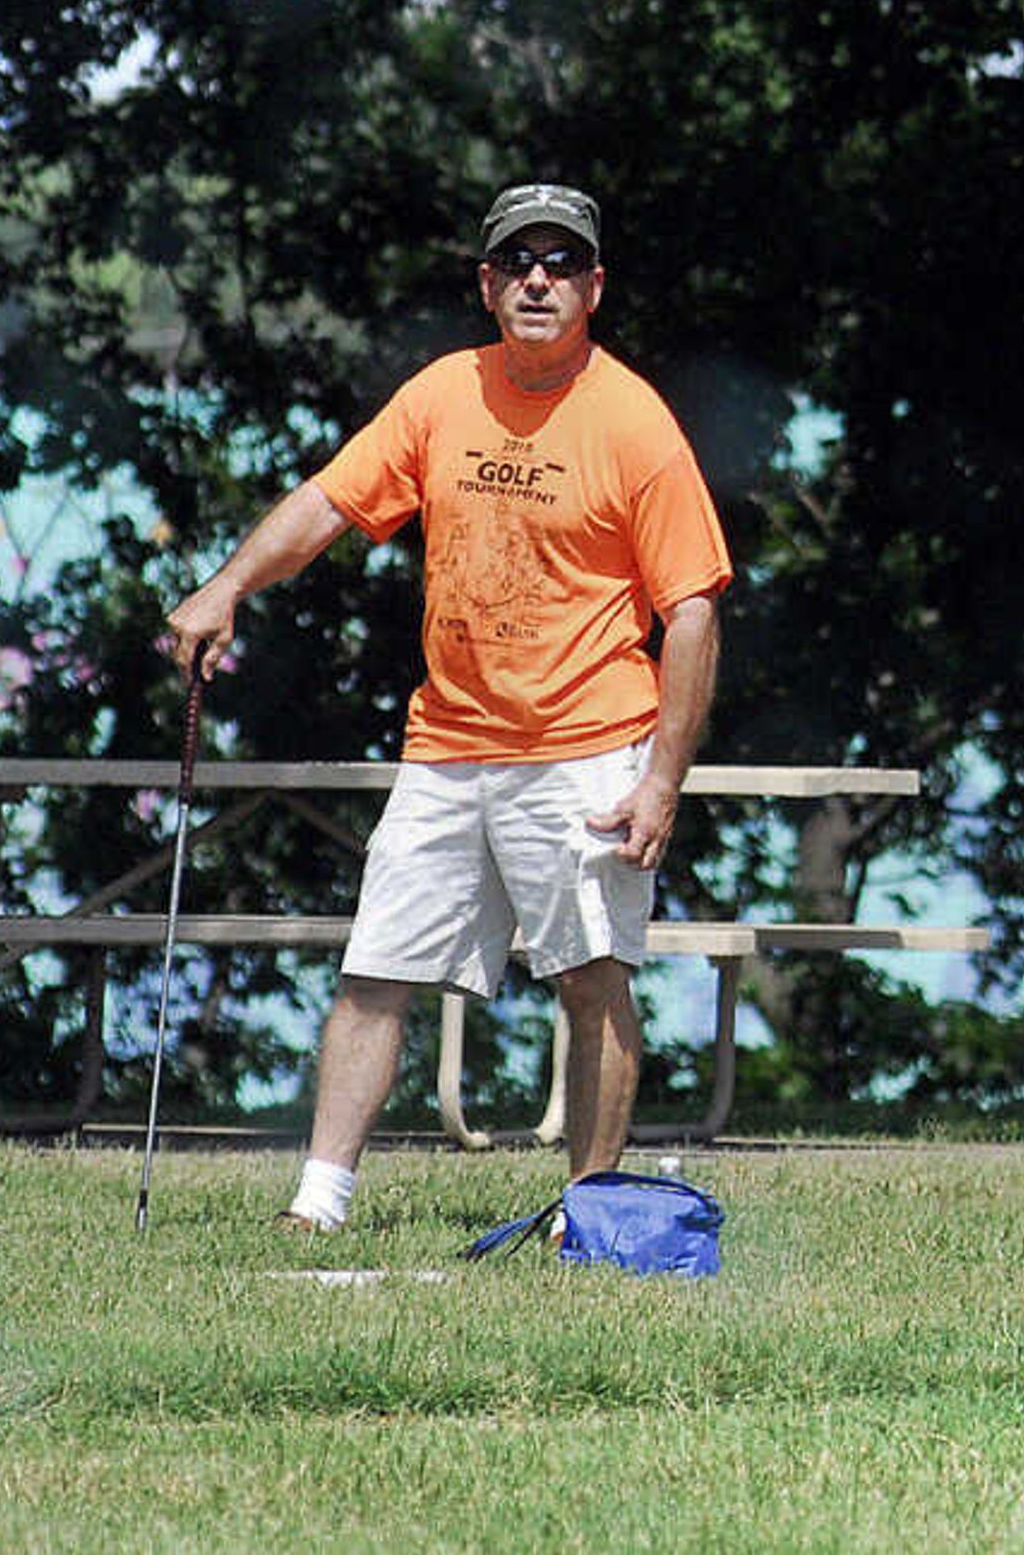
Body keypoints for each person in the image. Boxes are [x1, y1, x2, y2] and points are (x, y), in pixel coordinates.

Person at [164, 183, 731, 1233]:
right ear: (486, 283)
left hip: (588, 748)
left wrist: (661, 779)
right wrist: (226, 586)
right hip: (448, 744)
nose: (538, 280)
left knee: (592, 981)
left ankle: (591, 1212)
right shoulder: (441, 396)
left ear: (594, 288)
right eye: (519, 262)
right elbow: (331, 502)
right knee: (375, 969)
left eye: (562, 263)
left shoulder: (635, 421)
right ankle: (317, 1202)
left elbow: (691, 611)